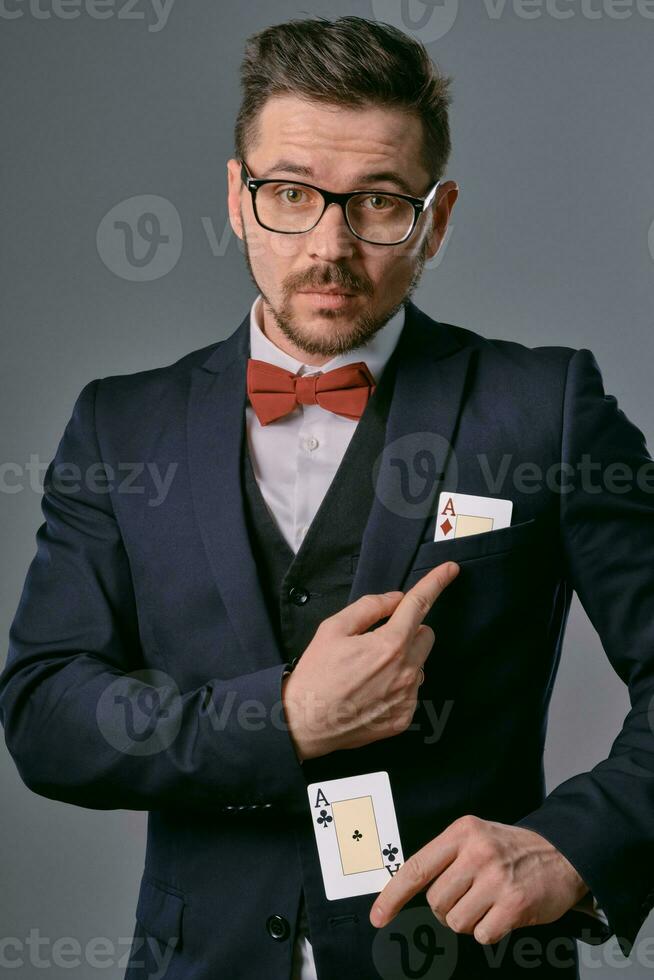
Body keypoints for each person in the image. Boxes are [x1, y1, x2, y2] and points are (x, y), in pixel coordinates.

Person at [2, 14, 653, 980]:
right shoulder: (119, 427)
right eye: (291, 194)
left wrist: (575, 844)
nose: (330, 245)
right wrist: (286, 719)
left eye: (379, 202)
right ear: (236, 194)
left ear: (437, 215)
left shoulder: (545, 408)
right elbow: (45, 711)